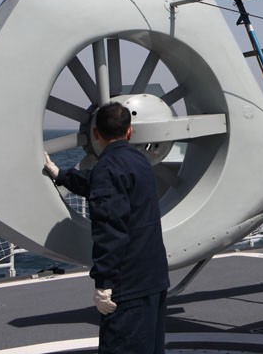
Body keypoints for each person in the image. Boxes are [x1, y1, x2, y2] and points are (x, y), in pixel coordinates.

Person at [43, 102, 169, 354]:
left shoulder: (108, 169)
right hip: (154, 277)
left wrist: (104, 284)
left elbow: (110, 230)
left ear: (96, 134)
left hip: (128, 283)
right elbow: (96, 181)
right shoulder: (140, 162)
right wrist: (61, 174)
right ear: (130, 132)